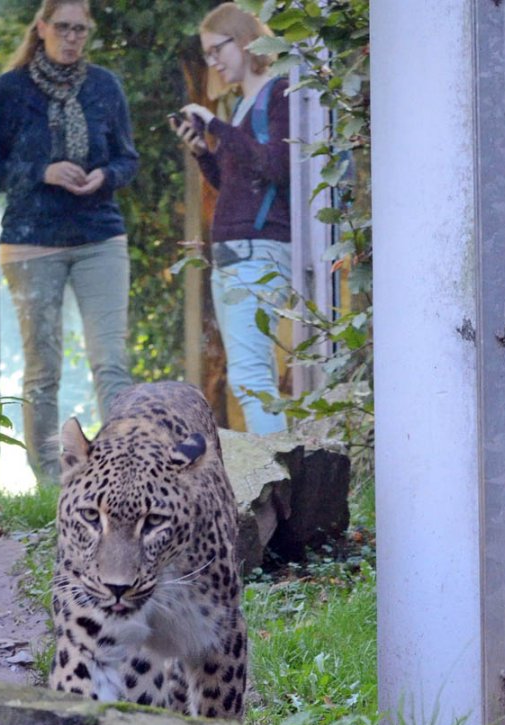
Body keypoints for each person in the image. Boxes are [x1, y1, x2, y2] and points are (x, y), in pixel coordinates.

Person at [0, 0, 139, 481]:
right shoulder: (10, 91)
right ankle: (50, 485)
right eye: (63, 27)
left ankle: (121, 475)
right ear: (41, 28)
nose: (72, 37)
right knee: (42, 371)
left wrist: (104, 175)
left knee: (111, 363)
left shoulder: (104, 86)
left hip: (100, 236)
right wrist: (43, 171)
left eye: (81, 29)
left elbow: (128, 160)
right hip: (31, 241)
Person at [170, 2, 290, 435]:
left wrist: (216, 129)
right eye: (207, 55)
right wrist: (204, 151)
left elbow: (276, 167)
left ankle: (279, 491)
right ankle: (278, 486)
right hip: (235, 256)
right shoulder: (244, 105)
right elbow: (239, 186)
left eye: (216, 50)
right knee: (249, 377)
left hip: (259, 253)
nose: (213, 62)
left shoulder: (278, 94)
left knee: (252, 379)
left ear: (243, 40)